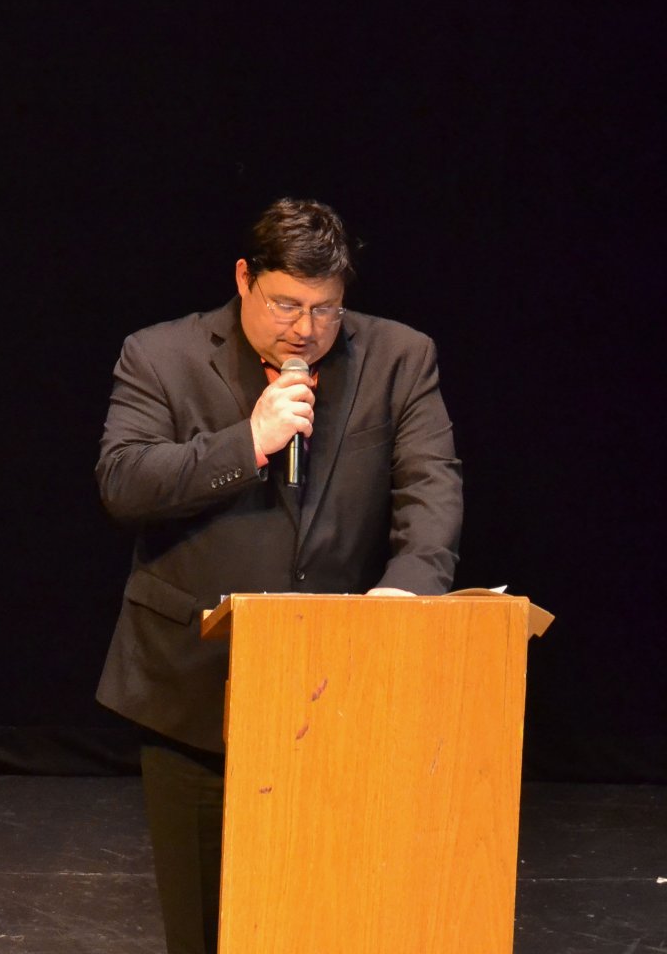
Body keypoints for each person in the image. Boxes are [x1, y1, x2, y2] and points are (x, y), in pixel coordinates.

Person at [94, 199, 463, 953]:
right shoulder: (159, 354)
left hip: (340, 687)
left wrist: (405, 595)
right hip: (194, 686)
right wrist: (249, 441)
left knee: (324, 916)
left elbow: (431, 492)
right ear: (244, 279)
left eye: (325, 309)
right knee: (203, 926)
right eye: (286, 304)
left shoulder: (400, 357)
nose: (305, 329)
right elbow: (124, 483)